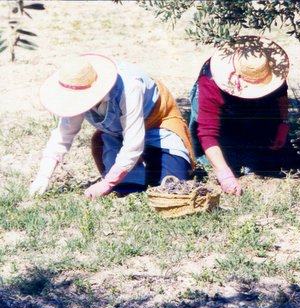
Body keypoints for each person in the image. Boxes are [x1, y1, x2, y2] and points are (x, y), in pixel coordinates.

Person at [30, 53, 194, 199]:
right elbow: (63, 135)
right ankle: (138, 171)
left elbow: (133, 142)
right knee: (127, 187)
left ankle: (156, 158)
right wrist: (43, 176)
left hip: (157, 126)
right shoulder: (75, 98)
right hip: (116, 135)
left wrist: (107, 183)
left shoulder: (129, 87)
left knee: (173, 186)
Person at [189, 35, 300, 195]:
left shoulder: (269, 70)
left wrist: (283, 125)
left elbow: (281, 96)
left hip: (253, 109)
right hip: (220, 104)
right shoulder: (210, 82)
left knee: (261, 163)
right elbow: (207, 133)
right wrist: (225, 176)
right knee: (220, 163)